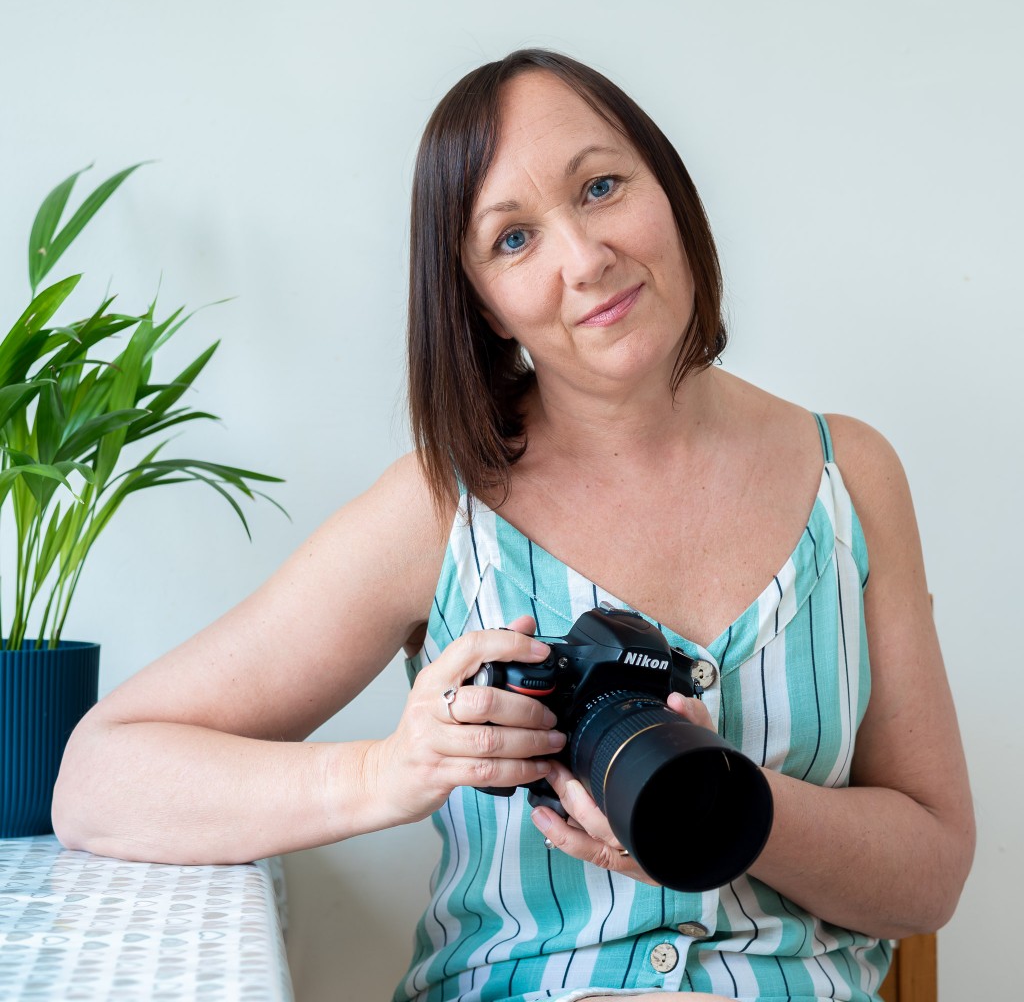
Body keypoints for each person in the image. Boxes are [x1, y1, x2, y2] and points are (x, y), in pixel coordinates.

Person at [53, 49, 975, 1002]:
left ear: (668, 186)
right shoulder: (442, 508)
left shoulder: (850, 475)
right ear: (482, 306)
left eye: (603, 186)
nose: (585, 259)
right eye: (513, 240)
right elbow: (100, 780)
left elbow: (931, 876)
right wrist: (391, 770)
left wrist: (725, 809)